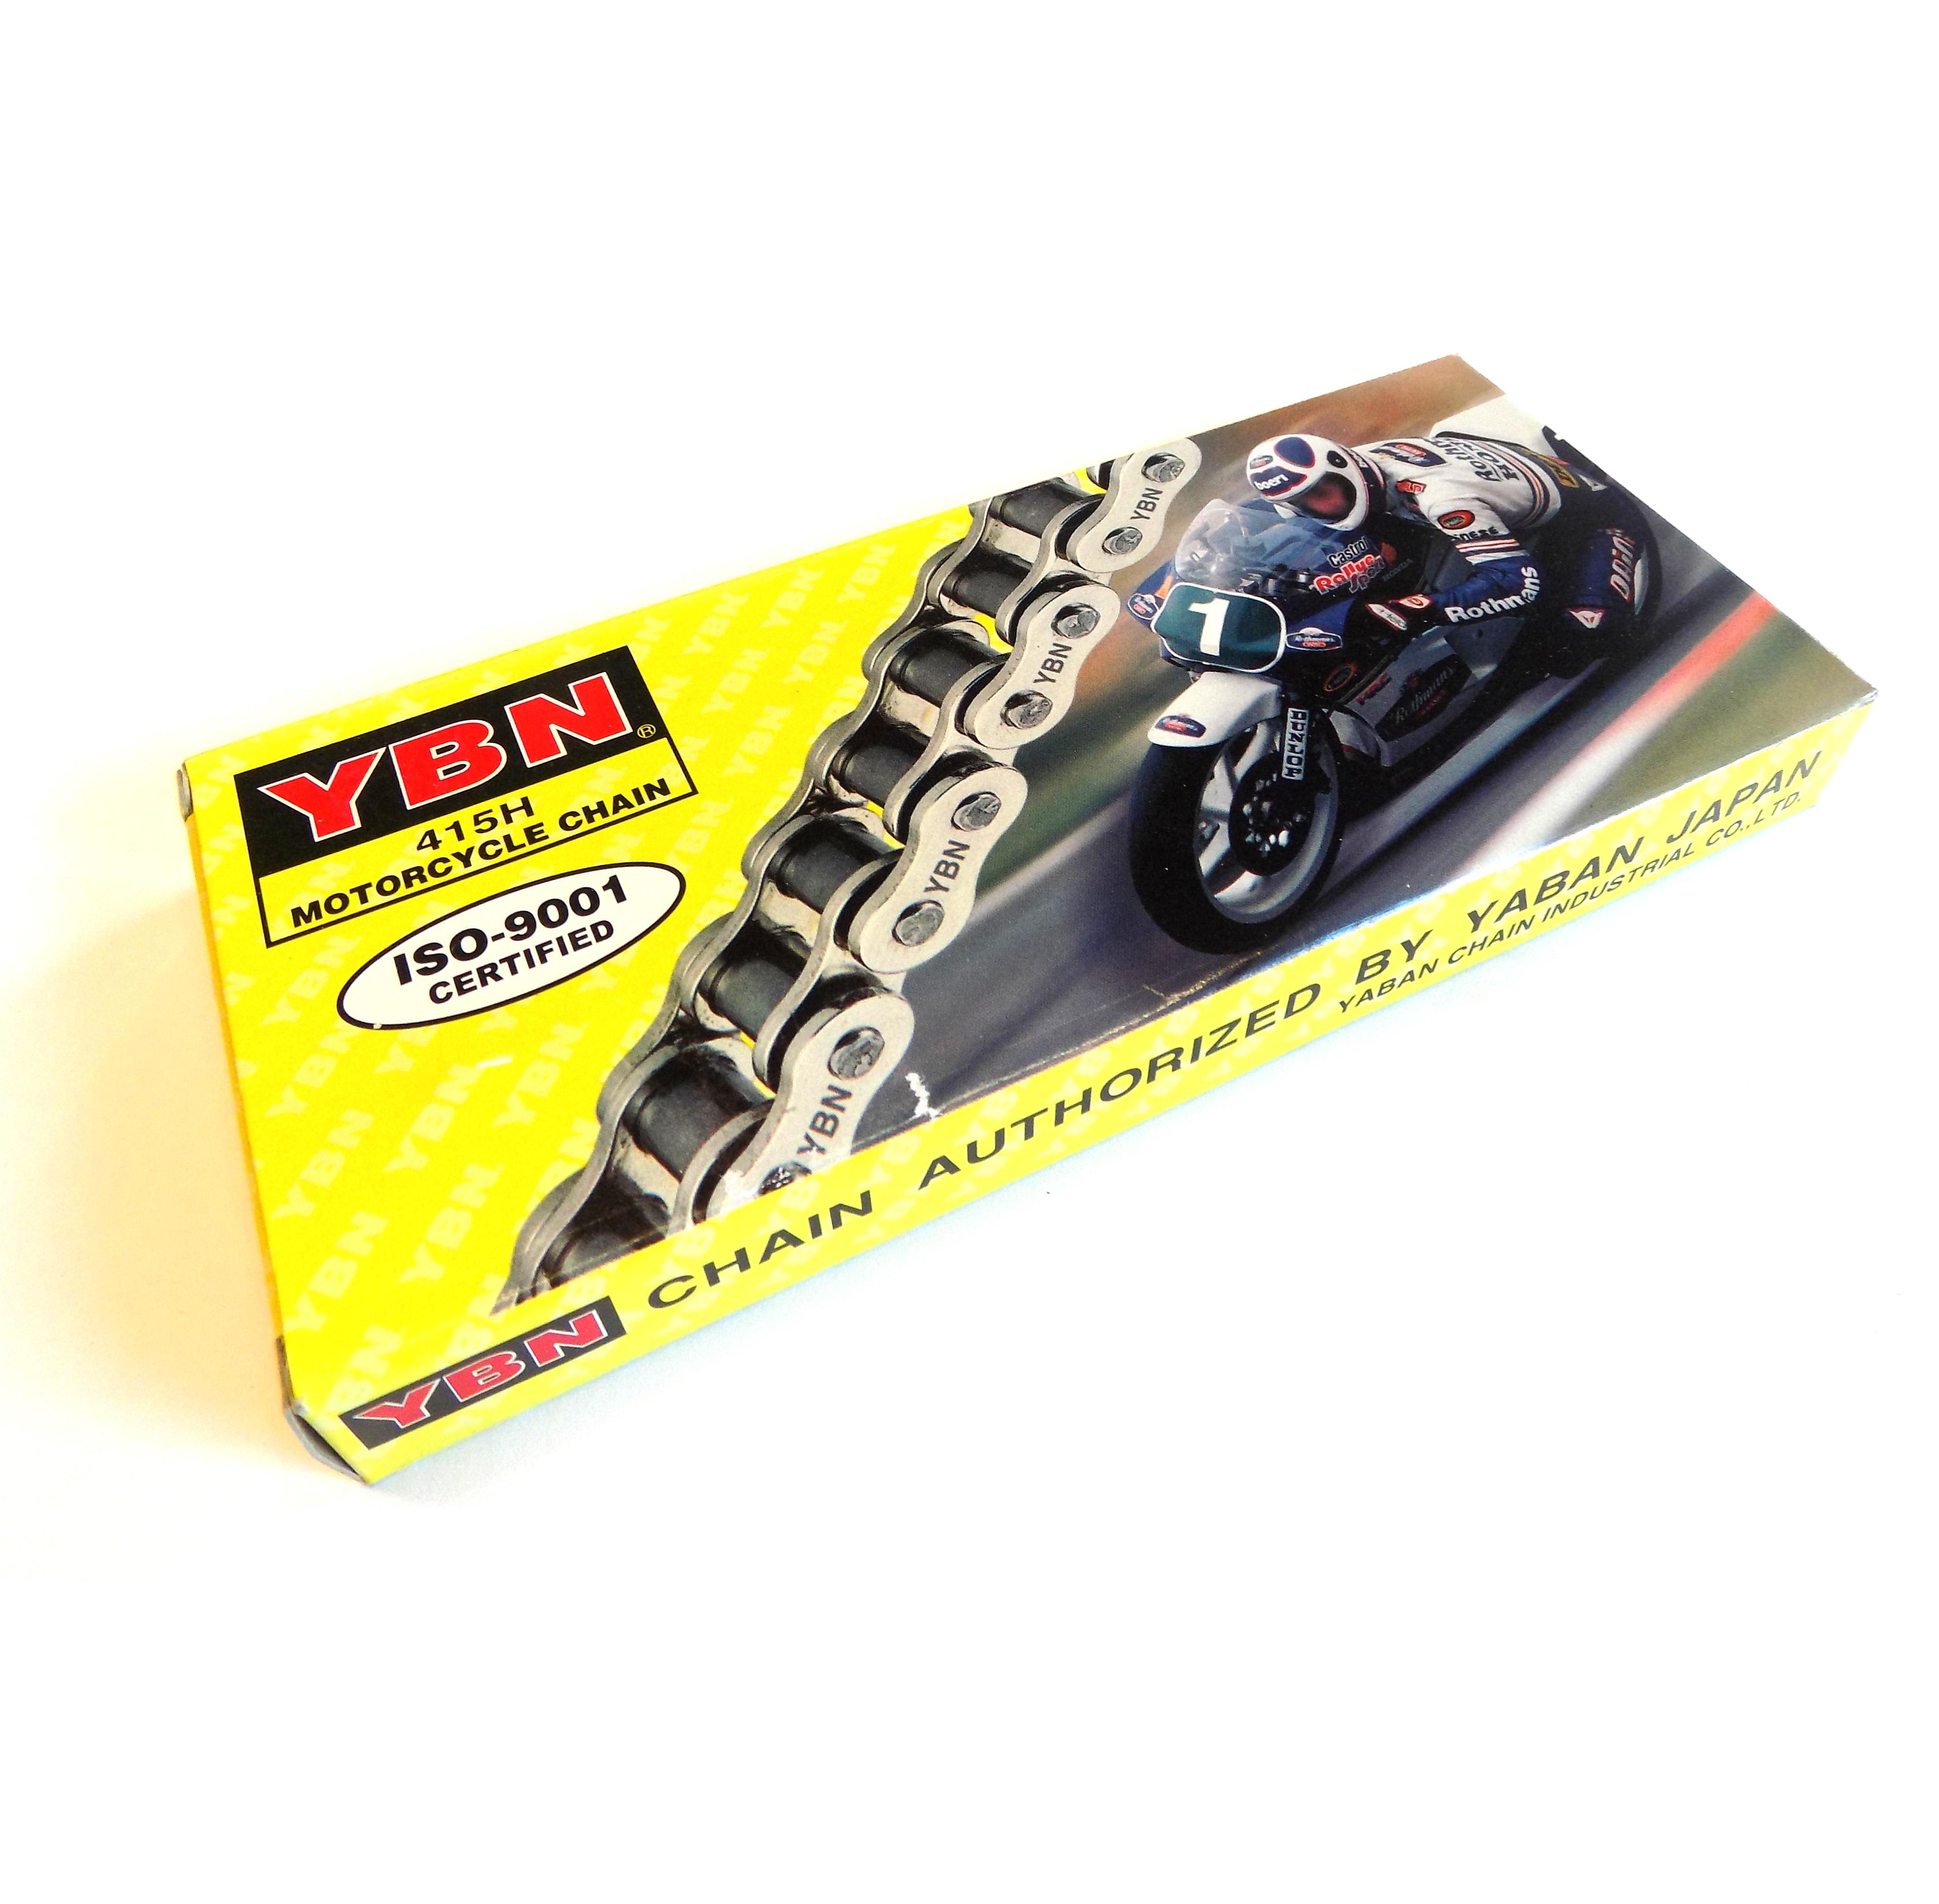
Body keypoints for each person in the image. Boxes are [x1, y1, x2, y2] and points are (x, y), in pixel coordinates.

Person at [1243, 430, 1645, 660]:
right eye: (1303, 503)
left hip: (1586, 515)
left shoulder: (1443, 500)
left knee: (1582, 637)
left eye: (1323, 495)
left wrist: (1420, 609)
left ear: (1342, 468)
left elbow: (1521, 583)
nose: (1319, 509)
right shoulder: (1356, 468)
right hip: (1491, 476)